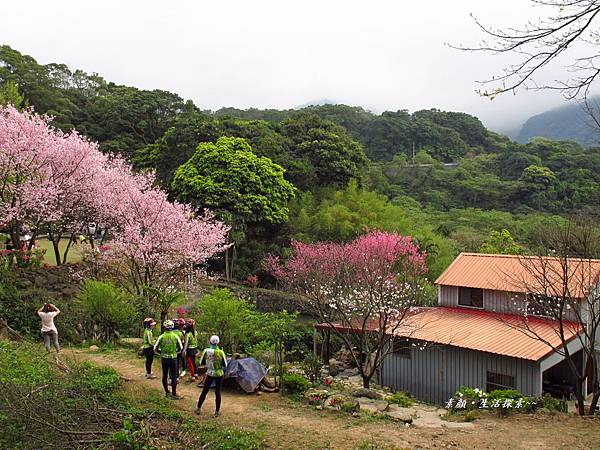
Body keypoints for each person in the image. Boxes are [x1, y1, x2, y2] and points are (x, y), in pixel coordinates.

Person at [195, 335, 227, 417]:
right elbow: (225, 365)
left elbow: (201, 362)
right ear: (218, 343)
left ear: (210, 341)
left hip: (209, 373)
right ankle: (217, 412)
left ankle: (198, 408)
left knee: (205, 391)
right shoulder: (221, 352)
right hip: (219, 374)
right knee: (218, 392)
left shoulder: (206, 351)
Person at [154, 320, 183, 400]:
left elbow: (155, 348)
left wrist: (160, 352)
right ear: (172, 327)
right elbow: (181, 348)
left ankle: (167, 392)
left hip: (164, 358)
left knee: (164, 375)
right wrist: (176, 352)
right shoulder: (175, 336)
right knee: (174, 376)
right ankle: (174, 393)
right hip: (173, 358)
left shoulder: (161, 337)